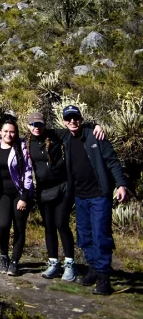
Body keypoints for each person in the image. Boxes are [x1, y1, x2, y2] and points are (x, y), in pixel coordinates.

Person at [61, 104, 128, 296]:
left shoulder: (95, 136)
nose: (72, 121)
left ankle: (104, 277)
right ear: (64, 121)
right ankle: (93, 269)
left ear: (81, 119)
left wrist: (121, 184)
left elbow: (112, 160)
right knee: (84, 235)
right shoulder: (66, 139)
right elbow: (41, 131)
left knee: (101, 236)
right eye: (68, 118)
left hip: (99, 196)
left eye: (76, 118)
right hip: (80, 196)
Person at [26, 112, 76, 281]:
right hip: (43, 190)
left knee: (61, 223)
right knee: (49, 226)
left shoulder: (54, 134)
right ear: (28, 126)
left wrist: (93, 126)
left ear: (45, 125)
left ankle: (69, 264)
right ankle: (53, 263)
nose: (36, 128)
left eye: (39, 124)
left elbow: (73, 129)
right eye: (33, 125)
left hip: (62, 187)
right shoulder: (27, 143)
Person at [0, 118, 34, 276]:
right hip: (2, 193)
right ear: (0, 132)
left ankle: (15, 261)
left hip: (19, 193)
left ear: (15, 133)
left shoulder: (21, 147)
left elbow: (28, 172)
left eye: (12, 131)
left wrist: (24, 196)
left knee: (19, 226)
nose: (8, 134)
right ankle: (4, 257)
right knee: (3, 225)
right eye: (6, 131)